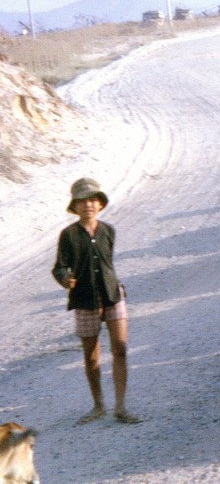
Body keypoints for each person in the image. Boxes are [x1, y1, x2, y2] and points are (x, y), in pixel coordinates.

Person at [52, 178, 141, 425]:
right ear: (75, 206)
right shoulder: (68, 235)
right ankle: (98, 405)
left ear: (100, 204)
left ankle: (121, 407)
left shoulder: (108, 231)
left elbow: (107, 264)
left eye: (93, 200)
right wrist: (65, 279)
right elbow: (59, 268)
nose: (88, 205)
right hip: (84, 299)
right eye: (82, 201)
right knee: (91, 355)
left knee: (120, 349)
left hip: (113, 294)